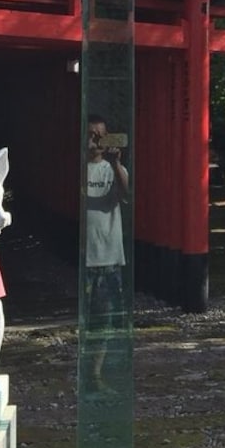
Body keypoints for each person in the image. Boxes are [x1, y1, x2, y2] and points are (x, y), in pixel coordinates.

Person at [84, 113, 129, 389]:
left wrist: (115, 163)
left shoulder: (113, 169)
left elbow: (125, 194)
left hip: (110, 256)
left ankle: (97, 374)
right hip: (85, 257)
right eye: (91, 135)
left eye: (101, 135)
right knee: (86, 318)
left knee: (105, 320)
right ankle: (87, 371)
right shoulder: (78, 168)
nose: (96, 140)